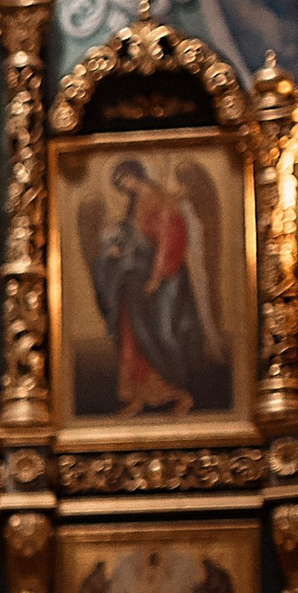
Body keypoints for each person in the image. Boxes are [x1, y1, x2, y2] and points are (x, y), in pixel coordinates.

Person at [88, 157, 215, 418]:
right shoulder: (133, 205)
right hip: (134, 281)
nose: (124, 186)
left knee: (161, 334)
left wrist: (157, 278)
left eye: (125, 180)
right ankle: (137, 396)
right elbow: (132, 239)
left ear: (136, 175)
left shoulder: (163, 201)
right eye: (120, 183)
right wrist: (116, 249)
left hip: (164, 283)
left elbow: (170, 242)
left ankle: (181, 394)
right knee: (132, 335)